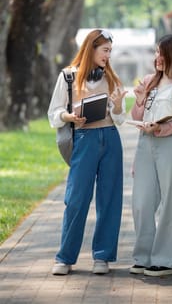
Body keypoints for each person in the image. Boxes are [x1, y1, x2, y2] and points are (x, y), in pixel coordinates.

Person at [48, 29, 127, 275]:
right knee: (76, 199)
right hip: (84, 139)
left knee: (110, 199)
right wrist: (68, 116)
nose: (108, 56)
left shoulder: (112, 78)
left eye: (110, 51)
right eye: (105, 50)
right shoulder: (69, 77)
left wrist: (116, 107)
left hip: (111, 140)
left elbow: (120, 118)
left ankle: (102, 257)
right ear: (91, 48)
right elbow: (54, 112)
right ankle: (65, 258)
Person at [129, 34, 172, 277]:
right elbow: (138, 116)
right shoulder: (149, 81)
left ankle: (166, 260)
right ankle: (143, 256)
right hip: (145, 144)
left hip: (171, 144)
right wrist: (139, 101)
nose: (157, 57)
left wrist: (161, 127)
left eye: (162, 53)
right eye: (156, 52)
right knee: (141, 201)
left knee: (171, 202)